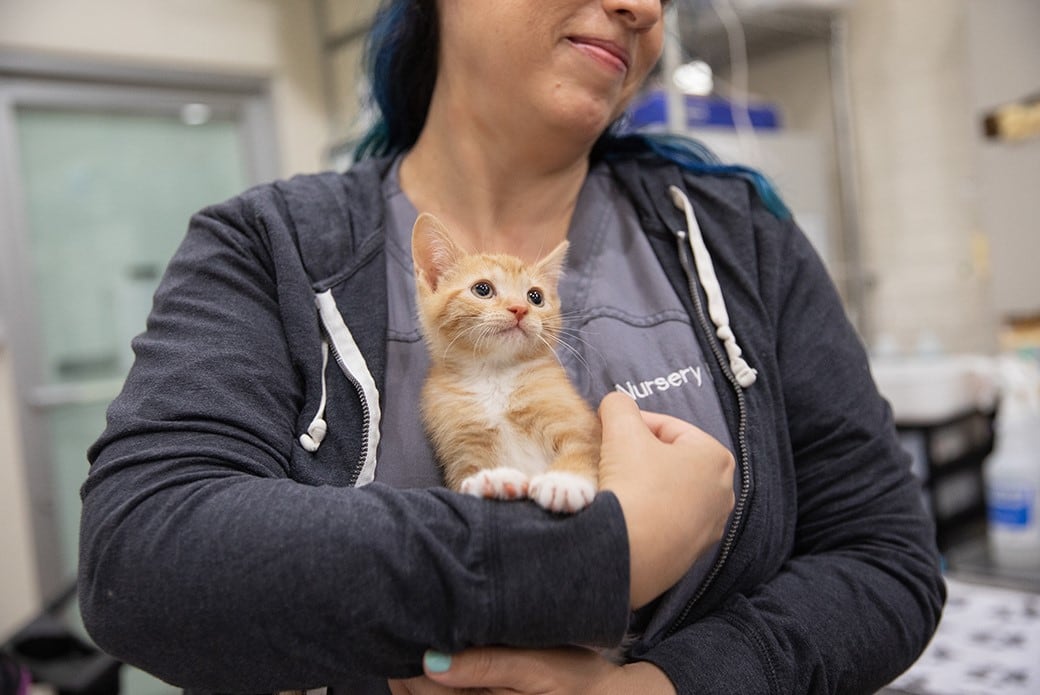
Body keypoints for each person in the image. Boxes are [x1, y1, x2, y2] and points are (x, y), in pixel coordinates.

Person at [78, 0, 945, 693]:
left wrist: (665, 686)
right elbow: (141, 559)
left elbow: (888, 561)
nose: (642, 7)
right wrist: (611, 549)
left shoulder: (737, 237)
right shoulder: (269, 246)